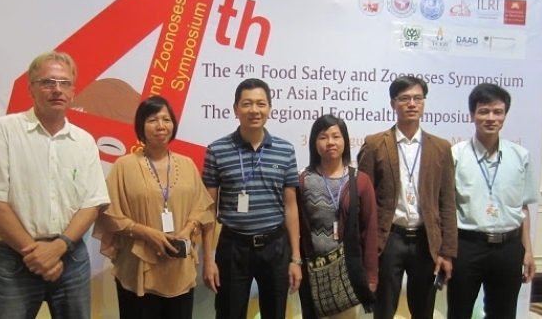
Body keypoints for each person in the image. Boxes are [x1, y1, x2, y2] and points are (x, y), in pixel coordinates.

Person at [0, 51, 110, 319]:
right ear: (31, 87)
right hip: (14, 260)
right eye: (47, 82)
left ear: (73, 90)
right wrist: (35, 254)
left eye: (64, 83)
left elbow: (92, 204)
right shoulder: (2, 131)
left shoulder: (85, 141)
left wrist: (58, 247)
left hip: (72, 258)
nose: (57, 89)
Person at [92, 95, 214, 319]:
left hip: (179, 268)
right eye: (153, 120)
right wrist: (146, 233)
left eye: (166, 120)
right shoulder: (124, 166)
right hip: (137, 266)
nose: (161, 126)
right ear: (141, 126)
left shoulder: (187, 164)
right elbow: (108, 214)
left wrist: (187, 231)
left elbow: (203, 208)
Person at [357, 76, 457, 319]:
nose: (411, 103)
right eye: (404, 98)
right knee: (384, 308)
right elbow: (363, 202)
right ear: (393, 103)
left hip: (425, 240)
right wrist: (364, 249)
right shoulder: (374, 144)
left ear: (423, 103)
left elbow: (447, 202)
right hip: (389, 239)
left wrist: (447, 251)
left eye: (417, 98)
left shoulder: (441, 147)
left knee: (423, 310)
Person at [201, 78, 302, 319]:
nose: (254, 110)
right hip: (233, 247)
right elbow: (208, 209)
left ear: (269, 108)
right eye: (247, 104)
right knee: (229, 313)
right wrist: (208, 259)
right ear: (235, 108)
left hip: (275, 247)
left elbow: (291, 207)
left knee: (275, 313)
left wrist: (295, 258)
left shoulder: (285, 150)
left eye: (261, 104)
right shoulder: (217, 150)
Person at [446, 83, 539, 319]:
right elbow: (446, 208)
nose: (491, 118)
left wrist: (528, 251)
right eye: (483, 111)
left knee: (504, 313)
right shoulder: (455, 155)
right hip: (467, 246)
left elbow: (523, 207)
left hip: (509, 248)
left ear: (505, 115)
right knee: (459, 311)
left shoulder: (520, 156)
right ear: (472, 115)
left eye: (497, 112)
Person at [297, 114, 378, 319]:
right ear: (314, 142)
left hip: (349, 270)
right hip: (313, 271)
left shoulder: (360, 180)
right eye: (323, 137)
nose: (330, 142)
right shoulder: (304, 181)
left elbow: (370, 231)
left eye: (336, 136)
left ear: (345, 141)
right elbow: (297, 229)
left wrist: (371, 275)